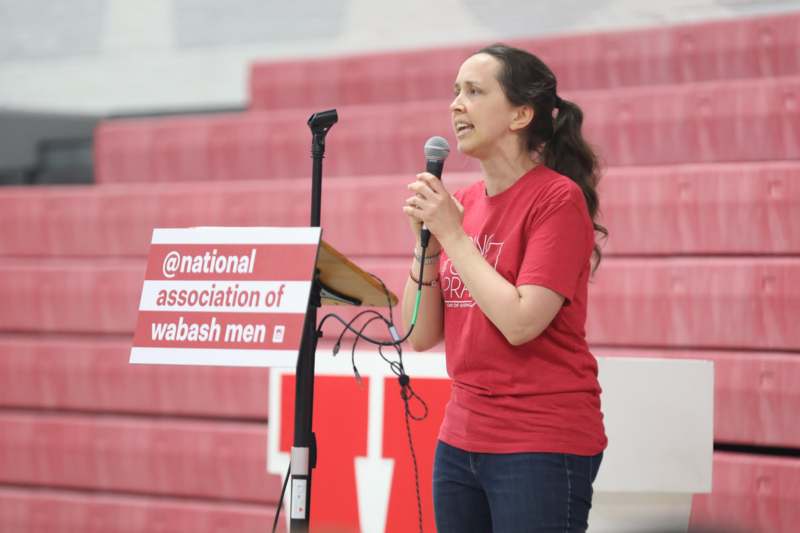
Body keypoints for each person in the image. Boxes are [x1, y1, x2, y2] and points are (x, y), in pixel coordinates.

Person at [401, 43, 608, 533]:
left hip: (540, 439)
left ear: (520, 114)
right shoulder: (463, 202)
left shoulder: (557, 199)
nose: (456, 105)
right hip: (461, 438)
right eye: (455, 92)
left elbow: (520, 323)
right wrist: (428, 247)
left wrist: (452, 234)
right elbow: (419, 332)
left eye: (474, 91)